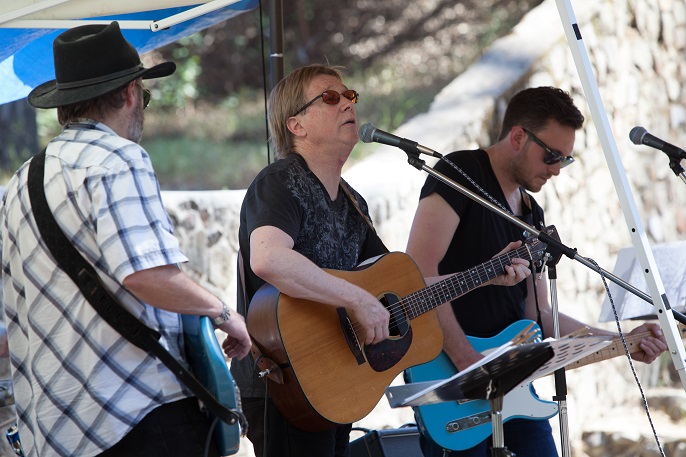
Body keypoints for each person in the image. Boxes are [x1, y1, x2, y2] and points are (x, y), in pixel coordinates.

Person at [228, 64, 532, 457]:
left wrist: (485, 275)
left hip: (335, 385)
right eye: (330, 97)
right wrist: (356, 300)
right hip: (284, 383)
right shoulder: (280, 182)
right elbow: (269, 259)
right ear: (296, 125)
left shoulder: (354, 203)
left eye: (349, 95)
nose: (347, 104)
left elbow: (401, 294)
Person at [0, 22, 252, 457]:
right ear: (132, 92)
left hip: (57, 427)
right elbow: (145, 274)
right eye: (147, 98)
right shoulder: (117, 158)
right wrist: (224, 312)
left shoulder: (21, 183)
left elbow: (16, 308)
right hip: (135, 412)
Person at [405, 86, 669, 457]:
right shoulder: (460, 172)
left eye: (565, 160)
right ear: (517, 136)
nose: (557, 170)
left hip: (513, 385)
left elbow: (539, 314)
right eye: (551, 156)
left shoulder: (531, 213)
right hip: (455, 378)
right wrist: (468, 362)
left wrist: (620, 341)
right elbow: (415, 274)